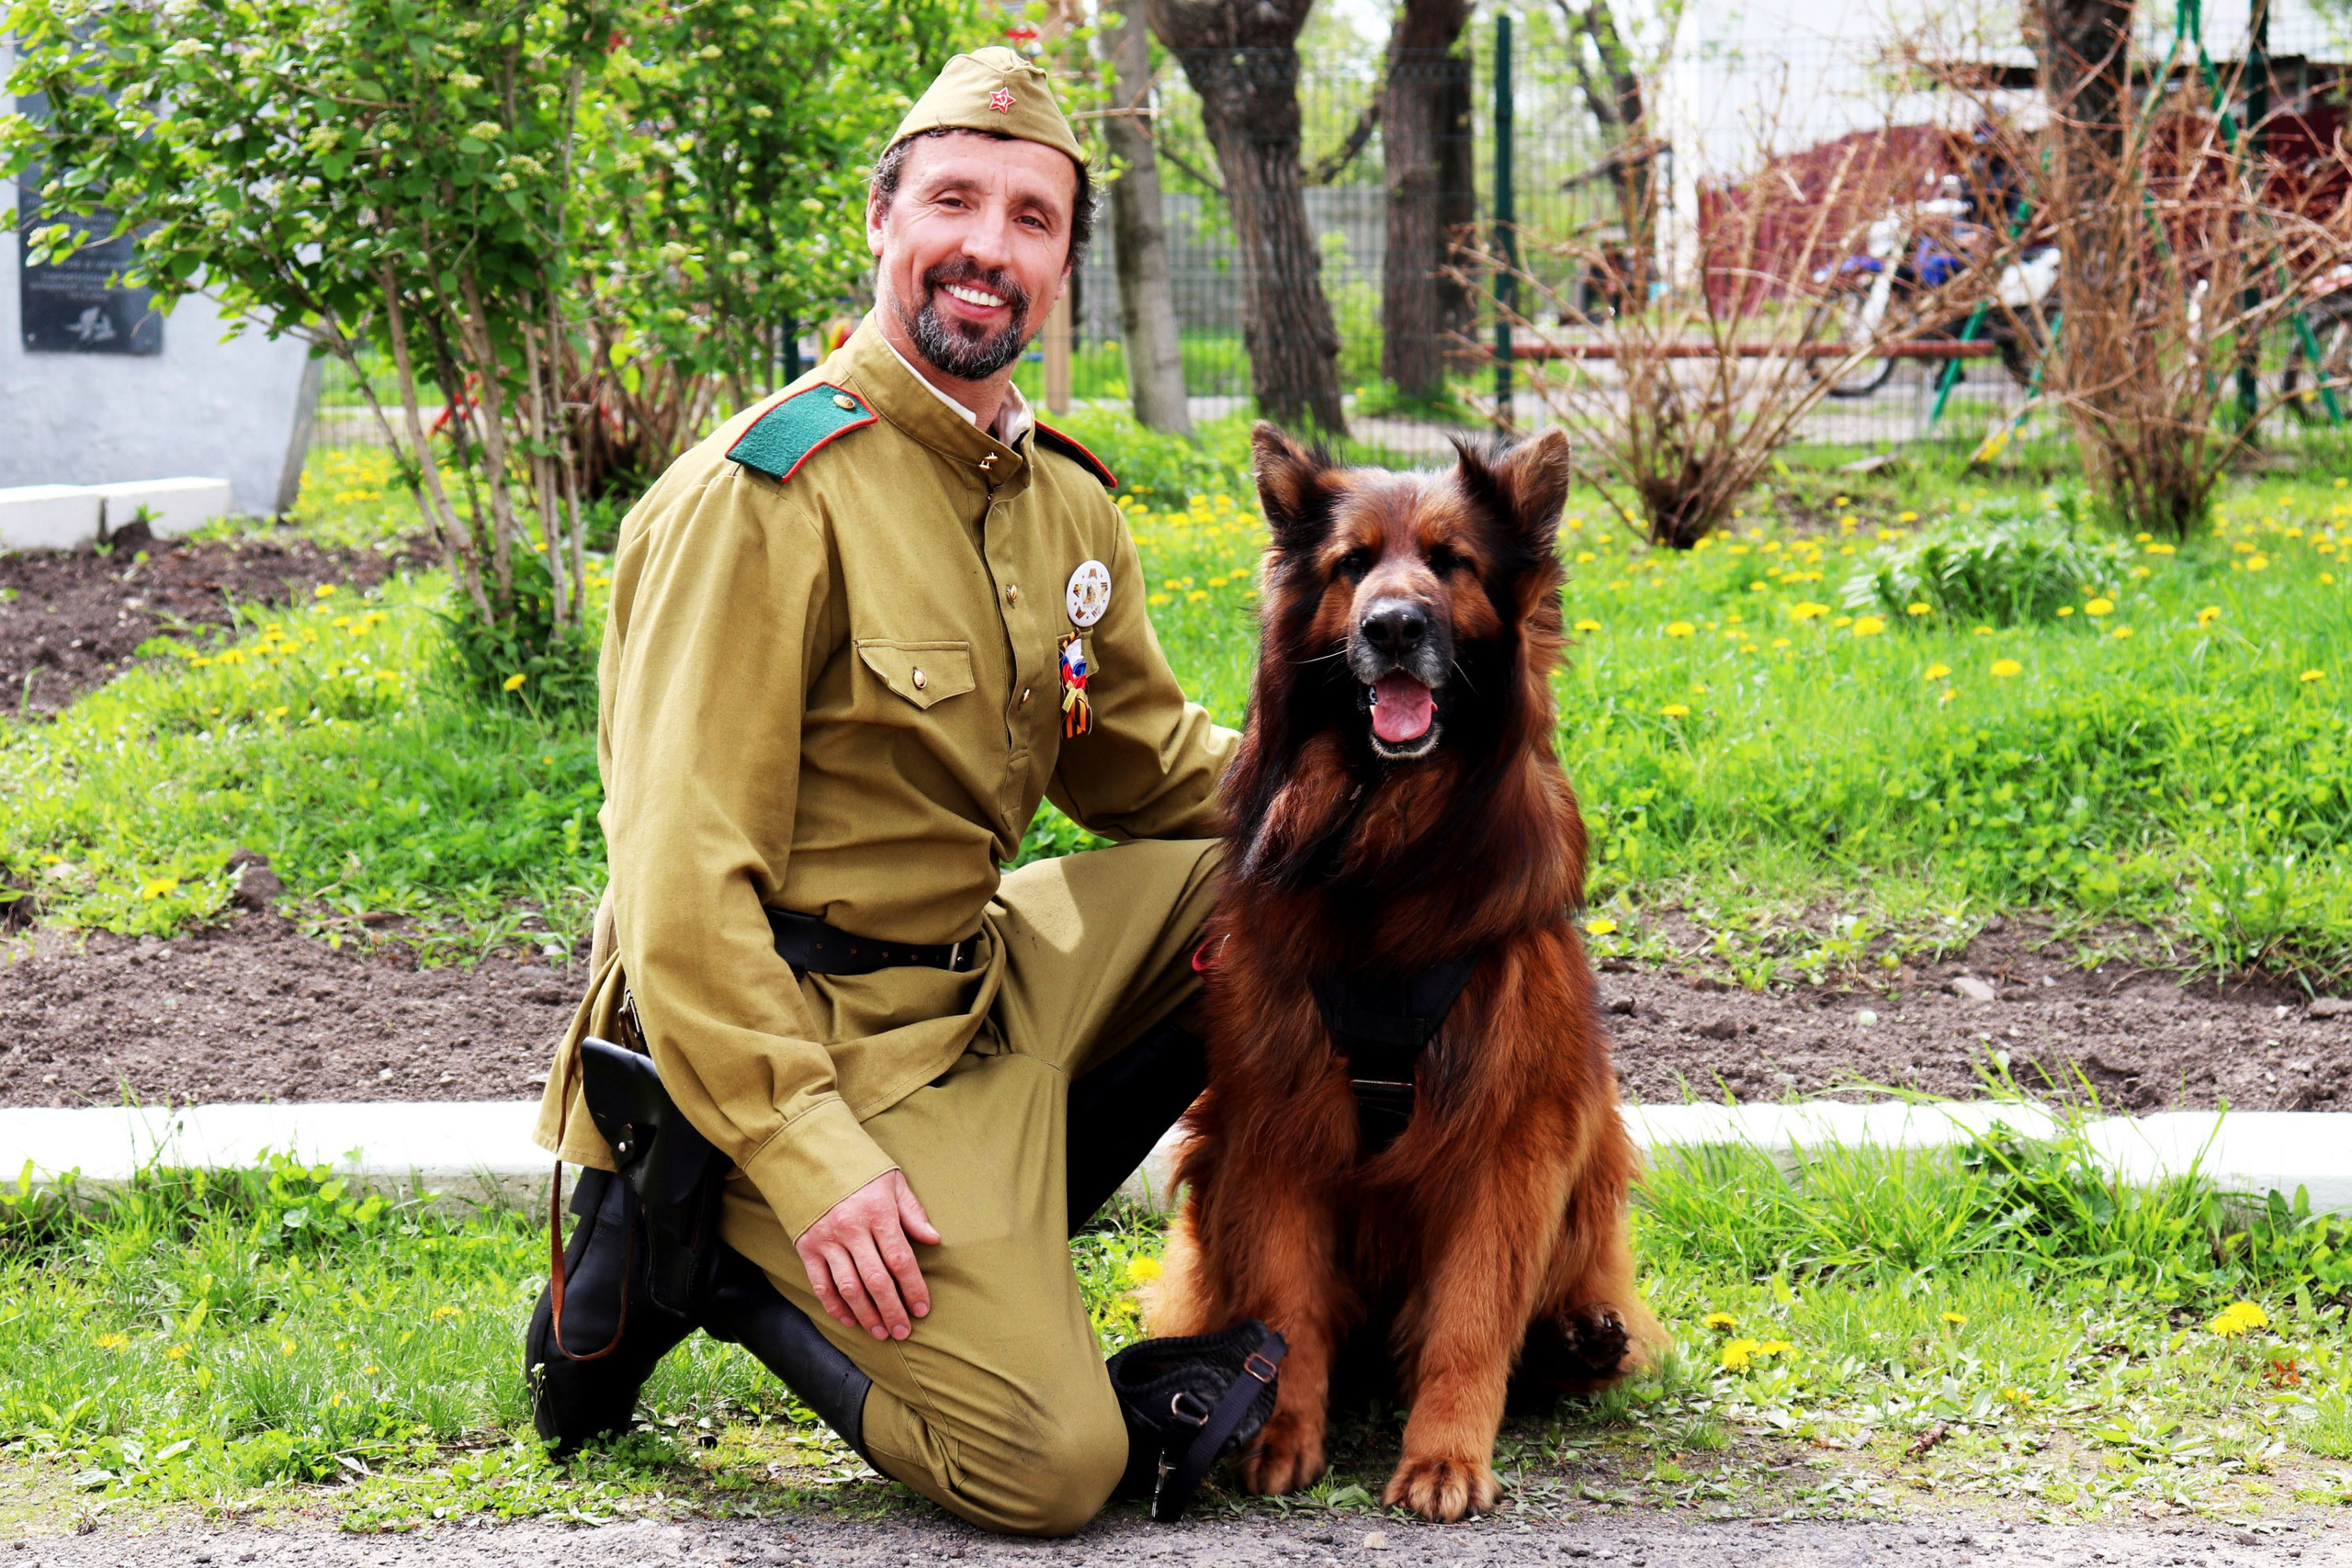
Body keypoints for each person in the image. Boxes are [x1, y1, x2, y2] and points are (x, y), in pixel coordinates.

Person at [522, 47, 1235, 1537]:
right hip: (799, 1038)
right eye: (956, 201)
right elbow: (677, 890)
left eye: (1032, 218)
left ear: (1058, 267)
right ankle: (702, 1250)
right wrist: (810, 1157)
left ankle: (1000, 1222)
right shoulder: (759, 499)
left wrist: (1397, 797)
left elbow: (1147, 765)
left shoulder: (1062, 501)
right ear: (881, 223)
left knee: (1301, 869)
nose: (991, 245)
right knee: (1053, 1466)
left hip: (972, 989)